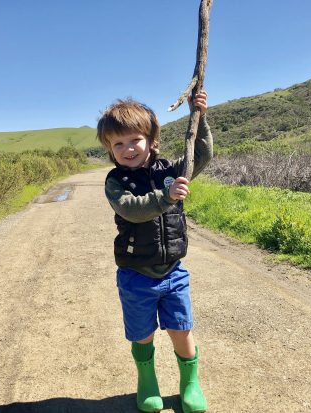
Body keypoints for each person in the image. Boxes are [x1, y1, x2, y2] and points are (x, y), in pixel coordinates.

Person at [97, 91, 212, 413]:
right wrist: (166, 197)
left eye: (134, 140)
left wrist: (199, 117)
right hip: (135, 275)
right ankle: (147, 381)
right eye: (117, 144)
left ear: (151, 139)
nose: (127, 149)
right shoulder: (115, 181)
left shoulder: (171, 170)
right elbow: (131, 211)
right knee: (142, 333)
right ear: (109, 149)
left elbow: (201, 155)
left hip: (173, 271)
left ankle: (190, 384)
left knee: (181, 329)